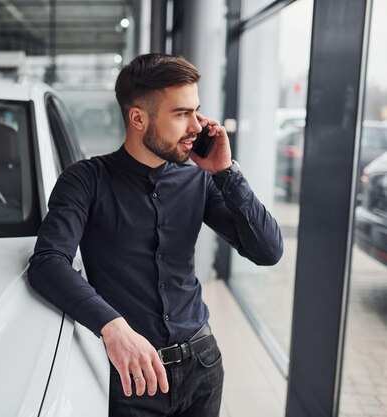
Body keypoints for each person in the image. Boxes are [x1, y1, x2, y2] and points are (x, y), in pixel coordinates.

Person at [28, 53, 283, 417]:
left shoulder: (201, 178)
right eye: (181, 114)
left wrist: (226, 173)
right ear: (138, 118)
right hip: (132, 375)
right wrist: (112, 327)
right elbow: (48, 263)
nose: (196, 125)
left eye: (196, 111)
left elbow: (268, 251)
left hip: (203, 365)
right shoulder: (86, 180)